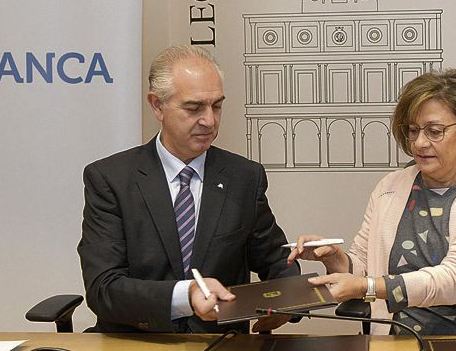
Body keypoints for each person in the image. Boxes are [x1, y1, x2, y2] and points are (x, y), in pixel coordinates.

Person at [289, 69, 456, 336]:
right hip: (397, 342)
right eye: (413, 130)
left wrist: (368, 287)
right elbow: (365, 268)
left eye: (434, 131)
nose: (420, 143)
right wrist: (335, 258)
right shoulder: (389, 187)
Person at [77, 45, 297, 333]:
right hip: (136, 346)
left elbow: (275, 259)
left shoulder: (243, 177)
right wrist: (187, 295)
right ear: (157, 105)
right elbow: (104, 289)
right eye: (194, 108)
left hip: (221, 348)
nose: (209, 120)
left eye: (217, 106)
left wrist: (288, 302)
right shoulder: (111, 179)